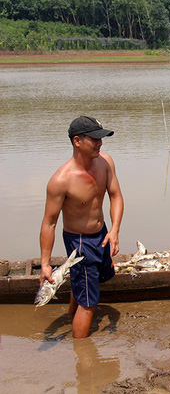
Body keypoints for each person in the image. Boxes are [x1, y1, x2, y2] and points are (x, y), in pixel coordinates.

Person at [40, 116, 124, 338]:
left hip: (102, 233)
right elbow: (49, 222)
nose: (100, 143)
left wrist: (114, 230)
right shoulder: (61, 180)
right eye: (94, 139)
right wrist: (45, 263)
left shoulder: (105, 162)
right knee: (90, 302)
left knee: (94, 280)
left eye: (101, 138)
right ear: (77, 141)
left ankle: (71, 314)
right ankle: (82, 355)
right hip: (80, 242)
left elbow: (116, 196)